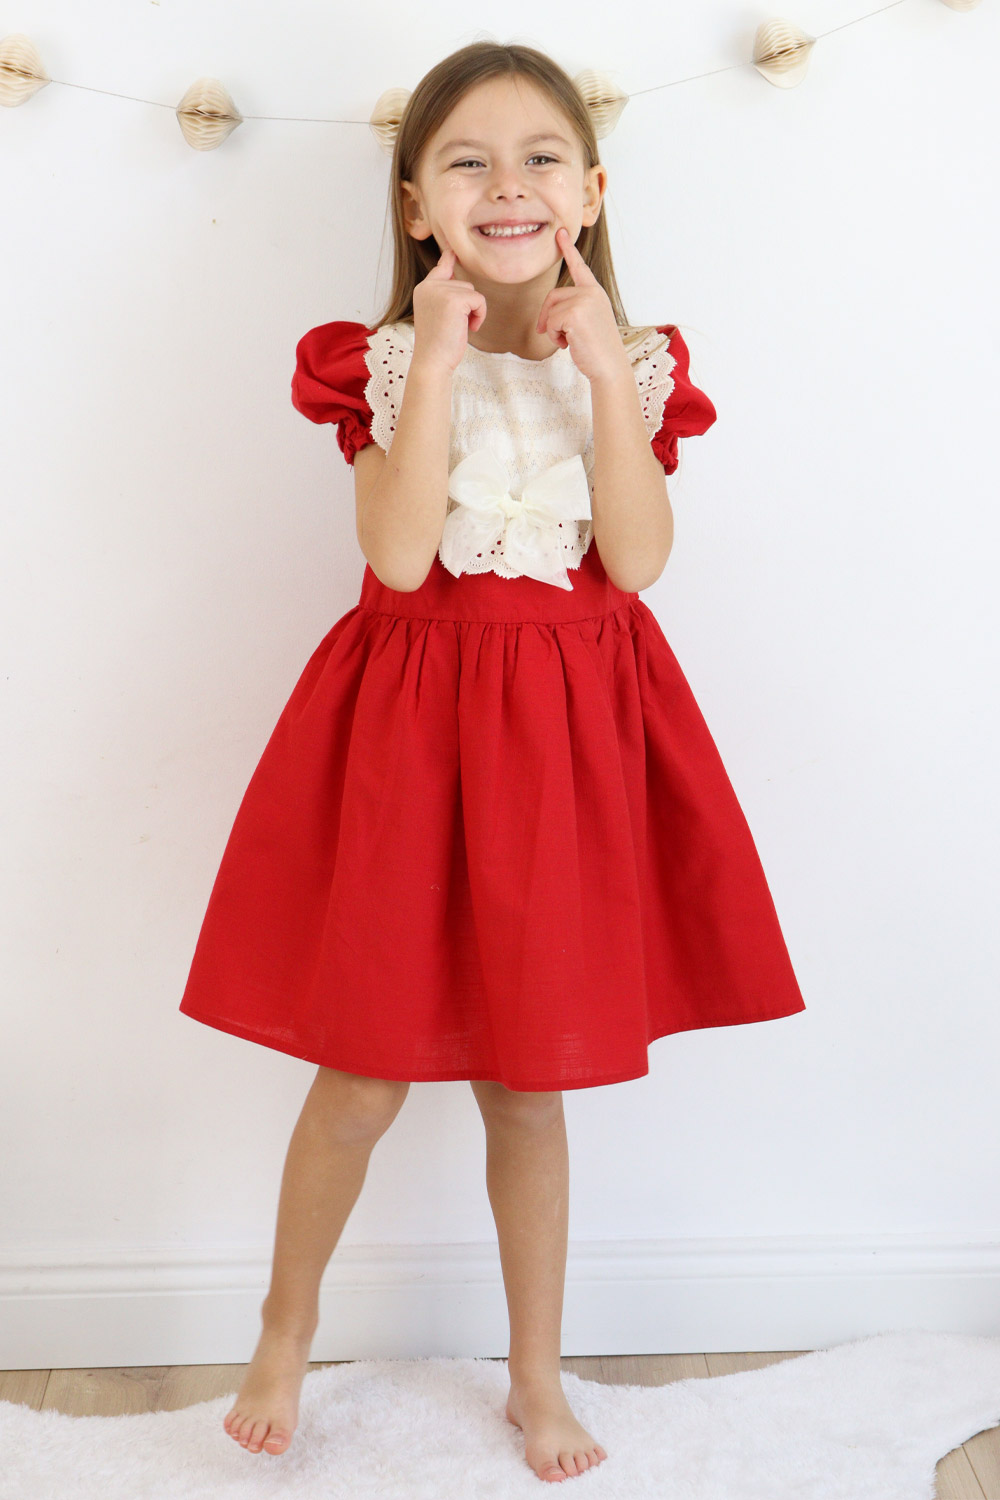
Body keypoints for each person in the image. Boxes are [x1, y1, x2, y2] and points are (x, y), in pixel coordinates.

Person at [178, 39, 806, 1484]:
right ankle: (284, 1329)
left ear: (591, 192)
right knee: (361, 1076)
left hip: (567, 750)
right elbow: (401, 556)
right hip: (412, 738)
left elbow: (634, 562)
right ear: (417, 206)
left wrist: (604, 381)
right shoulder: (384, 364)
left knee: (532, 1084)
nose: (506, 184)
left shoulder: (634, 367)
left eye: (540, 159)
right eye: (467, 161)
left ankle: (534, 1375)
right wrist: (444, 362)